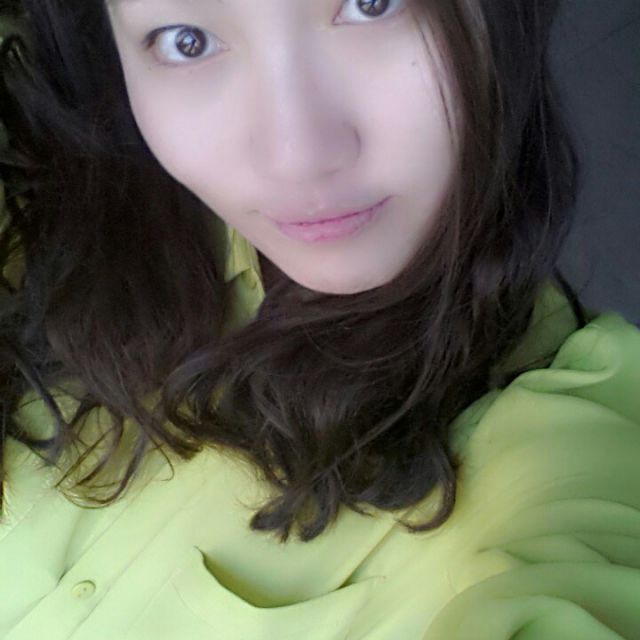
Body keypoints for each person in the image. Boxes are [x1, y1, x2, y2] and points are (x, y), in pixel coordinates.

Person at [0, 0, 638, 638]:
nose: (297, 158)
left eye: (372, 4)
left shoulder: (574, 450)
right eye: (186, 40)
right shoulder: (48, 198)